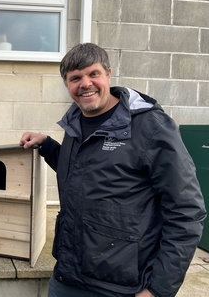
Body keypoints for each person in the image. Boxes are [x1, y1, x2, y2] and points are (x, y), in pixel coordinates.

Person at [20, 43, 206, 297]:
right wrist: (48, 145)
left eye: (93, 74)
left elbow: (186, 212)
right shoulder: (75, 122)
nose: (85, 84)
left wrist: (159, 289)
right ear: (67, 85)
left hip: (121, 287)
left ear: (108, 74)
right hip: (68, 276)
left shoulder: (150, 127)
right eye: (75, 78)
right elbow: (83, 171)